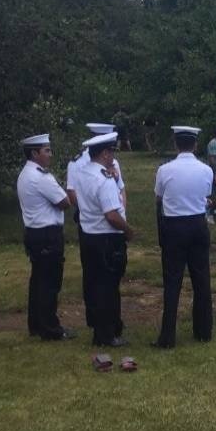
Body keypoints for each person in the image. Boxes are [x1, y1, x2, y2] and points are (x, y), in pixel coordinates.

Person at [152, 126, 214, 349]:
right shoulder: (206, 170)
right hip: (198, 224)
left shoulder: (164, 170)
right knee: (202, 279)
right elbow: (206, 195)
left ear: (175, 144)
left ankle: (167, 336)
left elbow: (159, 197)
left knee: (172, 281)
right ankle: (204, 330)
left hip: (174, 226)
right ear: (195, 144)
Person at [75, 132, 134, 347]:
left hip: (89, 235)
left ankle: (99, 328)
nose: (112, 157)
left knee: (94, 284)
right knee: (109, 287)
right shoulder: (104, 179)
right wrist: (128, 230)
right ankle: (108, 333)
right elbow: (111, 215)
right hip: (107, 239)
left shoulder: (82, 173)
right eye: (111, 152)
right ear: (104, 153)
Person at [66, 122, 126, 329]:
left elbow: (120, 189)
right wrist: (125, 227)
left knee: (103, 278)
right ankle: (102, 323)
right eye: (111, 148)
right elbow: (73, 194)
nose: (113, 154)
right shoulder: (80, 165)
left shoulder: (98, 167)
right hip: (99, 229)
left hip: (96, 226)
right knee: (100, 279)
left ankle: (104, 321)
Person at [16, 134, 74, 341]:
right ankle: (50, 329)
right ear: (34, 153)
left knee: (38, 281)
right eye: (46, 150)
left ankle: (36, 325)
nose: (50, 154)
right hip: (47, 234)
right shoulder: (41, 178)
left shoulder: (25, 174)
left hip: (34, 233)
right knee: (49, 283)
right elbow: (64, 202)